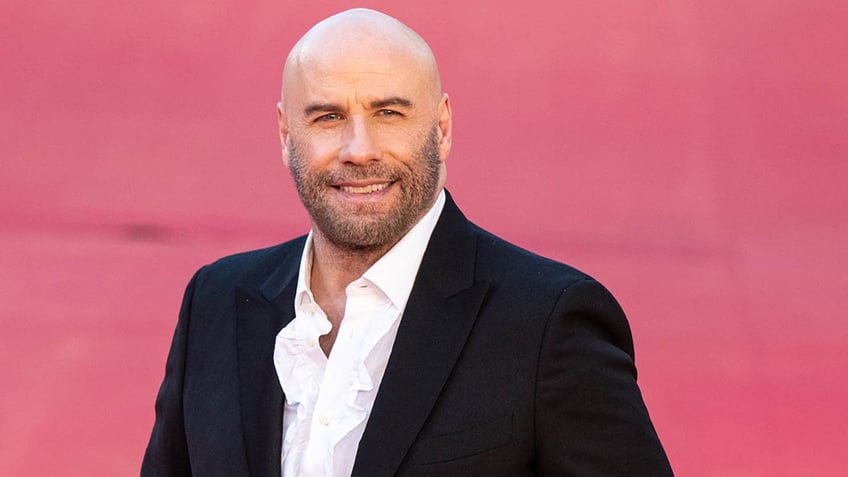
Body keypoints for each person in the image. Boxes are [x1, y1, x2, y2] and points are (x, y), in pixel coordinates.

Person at [142, 8, 673, 477]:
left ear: (441, 127)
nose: (359, 149)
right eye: (327, 117)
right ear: (286, 137)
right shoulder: (215, 302)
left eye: (388, 114)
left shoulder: (548, 323)